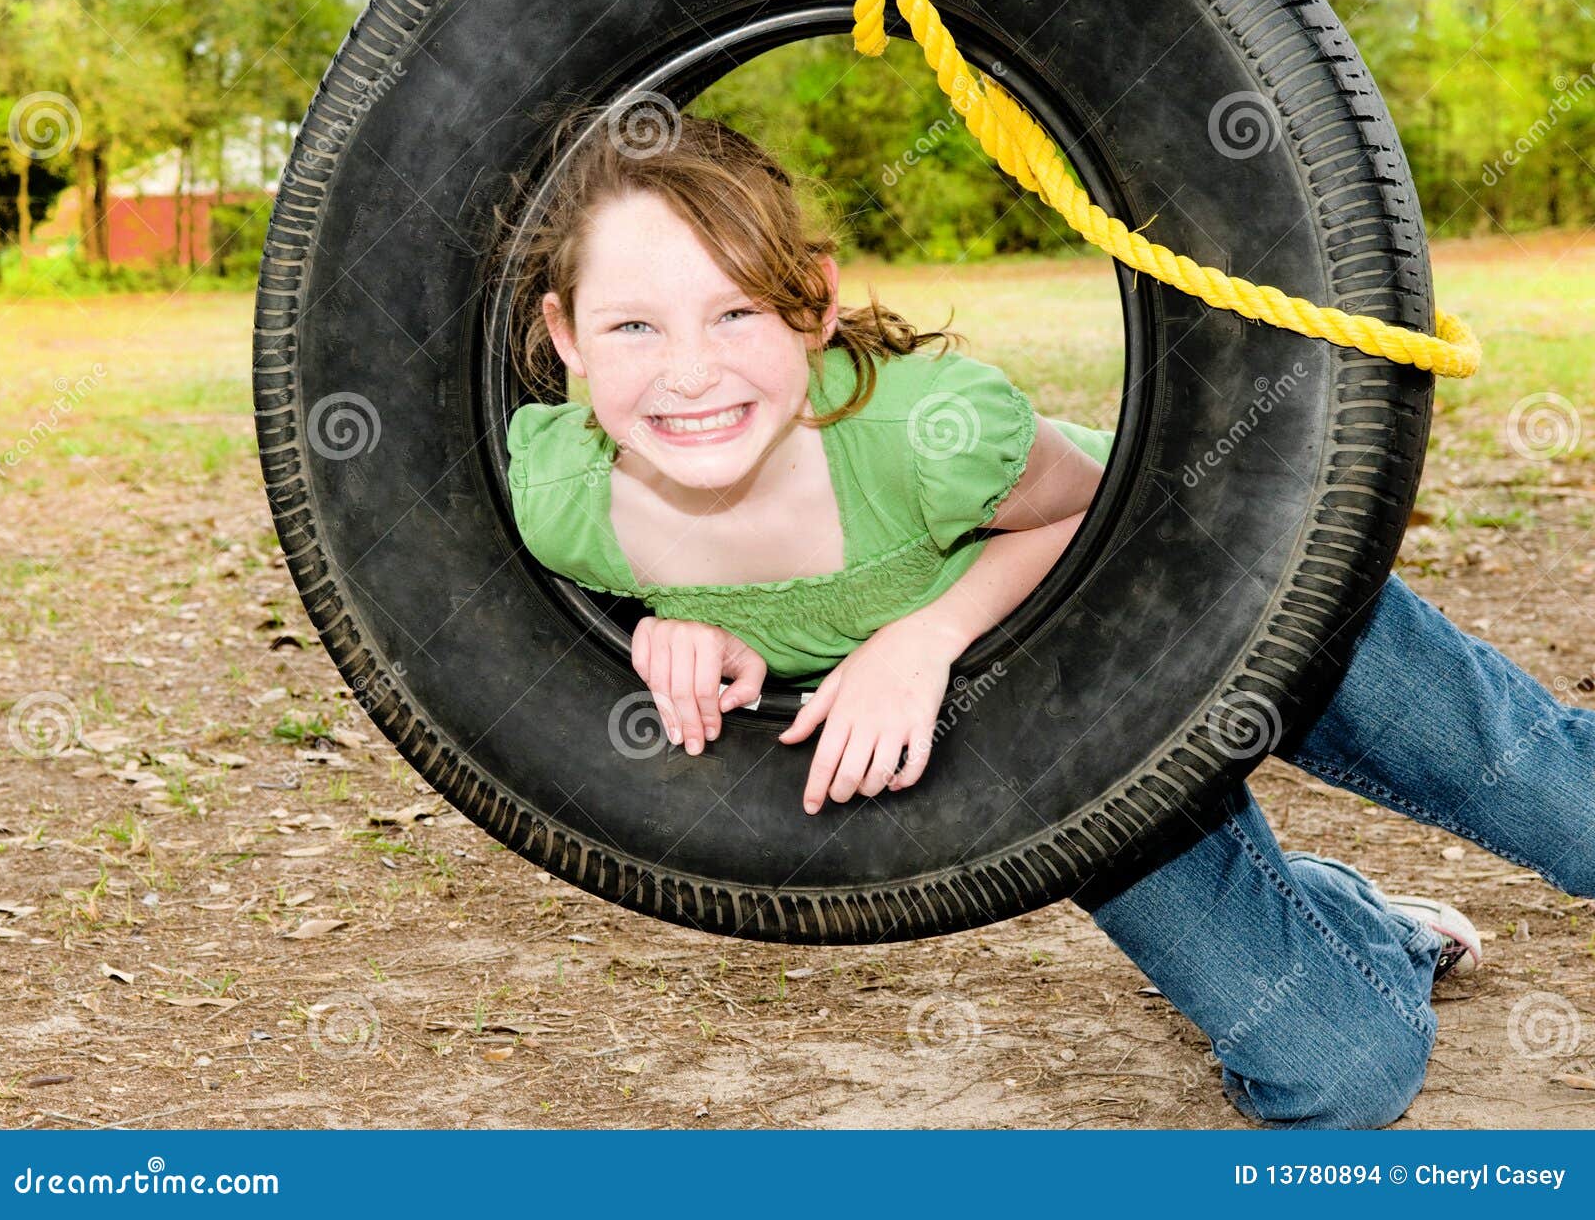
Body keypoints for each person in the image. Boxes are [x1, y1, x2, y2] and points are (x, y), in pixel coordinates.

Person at [497, 107, 1595, 1128]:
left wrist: (921, 634)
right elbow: (595, 617)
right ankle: (1357, 927)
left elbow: (1100, 513)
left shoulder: (924, 433)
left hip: (1217, 578)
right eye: (633, 324)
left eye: (734, 310)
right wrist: (662, 631)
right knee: (1336, 1075)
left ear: (813, 304)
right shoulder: (569, 502)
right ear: (567, 338)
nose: (690, 372)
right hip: (1066, 731)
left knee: (1569, 805)